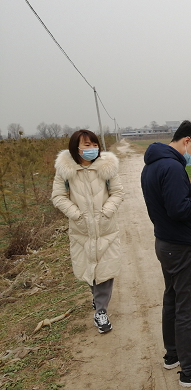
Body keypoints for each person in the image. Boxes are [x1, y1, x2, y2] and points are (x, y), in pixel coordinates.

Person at [141, 120, 191, 388]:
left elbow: (168, 204)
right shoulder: (173, 167)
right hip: (181, 246)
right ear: (188, 141)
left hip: (165, 242)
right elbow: (179, 210)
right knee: (187, 307)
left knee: (172, 300)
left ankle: (173, 354)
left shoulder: (153, 164)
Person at [51, 129, 124, 334]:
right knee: (89, 269)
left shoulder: (107, 167)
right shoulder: (66, 170)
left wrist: (105, 212)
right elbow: (58, 197)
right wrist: (77, 215)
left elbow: (118, 192)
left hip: (106, 229)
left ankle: (101, 311)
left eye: (94, 144)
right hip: (81, 230)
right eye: (87, 145)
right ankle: (97, 298)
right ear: (76, 147)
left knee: (105, 271)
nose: (92, 148)